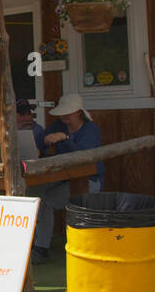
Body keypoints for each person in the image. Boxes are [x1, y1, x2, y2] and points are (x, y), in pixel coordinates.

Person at [31, 93, 103, 263]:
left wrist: (65, 139)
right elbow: (41, 141)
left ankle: (41, 247)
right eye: (62, 113)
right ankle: (34, 242)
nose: (64, 116)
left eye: (68, 113)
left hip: (90, 180)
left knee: (46, 201)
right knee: (35, 193)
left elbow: (84, 157)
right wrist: (42, 143)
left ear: (78, 112)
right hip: (63, 177)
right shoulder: (58, 125)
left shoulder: (90, 130)